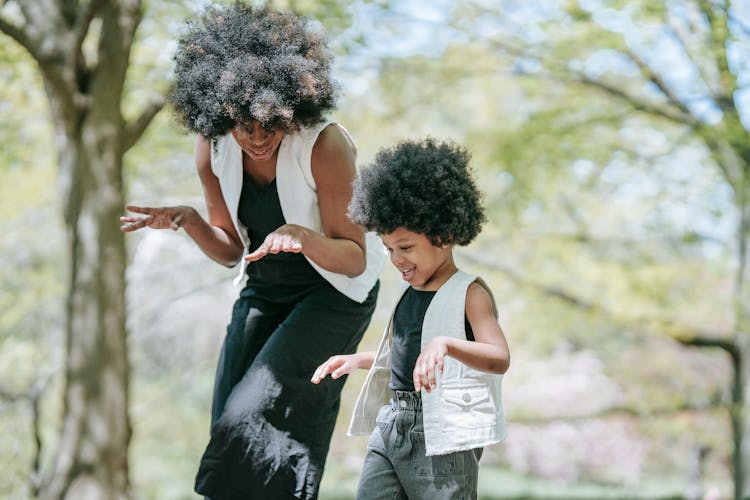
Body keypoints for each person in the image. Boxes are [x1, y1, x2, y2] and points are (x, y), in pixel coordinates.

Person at [120, 4, 384, 499]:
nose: (258, 138)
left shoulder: (324, 145)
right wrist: (190, 220)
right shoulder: (212, 147)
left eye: (270, 123)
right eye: (243, 124)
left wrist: (303, 237)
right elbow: (229, 251)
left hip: (332, 293)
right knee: (227, 424)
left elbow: (355, 257)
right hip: (266, 288)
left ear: (291, 104)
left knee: (256, 413)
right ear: (220, 113)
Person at [311, 138, 510, 500]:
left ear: (445, 236)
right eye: (389, 249)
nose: (396, 258)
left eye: (405, 247)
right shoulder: (408, 295)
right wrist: (361, 360)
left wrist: (446, 345)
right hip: (392, 425)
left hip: (443, 436)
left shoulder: (470, 293)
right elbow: (409, 359)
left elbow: (499, 358)